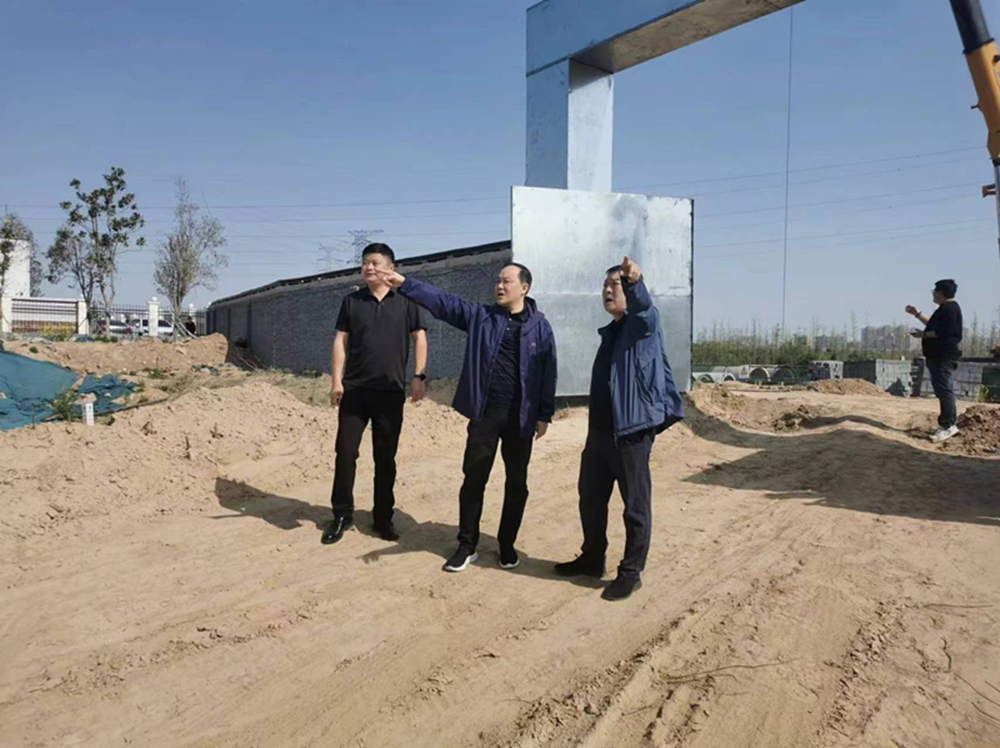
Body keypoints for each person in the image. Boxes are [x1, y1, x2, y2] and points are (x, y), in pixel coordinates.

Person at [375, 262, 557, 573]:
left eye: (507, 281)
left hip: (520, 418)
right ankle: (467, 545)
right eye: (498, 281)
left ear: (524, 288)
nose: (499, 286)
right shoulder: (481, 316)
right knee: (474, 479)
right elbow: (445, 303)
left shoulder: (540, 327)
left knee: (517, 483)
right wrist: (404, 283)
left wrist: (544, 414)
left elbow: (548, 371)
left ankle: (507, 545)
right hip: (485, 414)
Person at [554, 257, 684, 602]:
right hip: (599, 434)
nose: (608, 291)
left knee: (635, 507)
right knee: (591, 499)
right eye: (605, 286)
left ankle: (630, 572)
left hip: (631, 433)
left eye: (615, 285)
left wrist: (634, 282)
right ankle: (592, 558)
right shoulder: (610, 332)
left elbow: (644, 310)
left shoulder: (642, 327)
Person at [321, 243, 428, 545]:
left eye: (375, 262)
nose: (368, 267)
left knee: (385, 458)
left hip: (390, 393)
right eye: (365, 262)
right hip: (355, 391)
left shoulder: (407, 300)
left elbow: (420, 337)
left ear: (390, 268)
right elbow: (340, 341)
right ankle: (342, 514)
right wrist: (336, 381)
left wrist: (419, 376)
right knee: (345, 453)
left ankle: (383, 518)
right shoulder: (352, 301)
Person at [907, 279, 963, 443]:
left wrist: (923, 335)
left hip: (943, 356)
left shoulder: (950, 309)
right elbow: (933, 326)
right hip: (938, 356)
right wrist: (917, 314)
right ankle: (947, 423)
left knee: (944, 390)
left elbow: (944, 332)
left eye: (934, 292)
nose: (933, 295)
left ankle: (949, 425)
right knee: (942, 390)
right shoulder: (945, 309)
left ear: (940, 293)